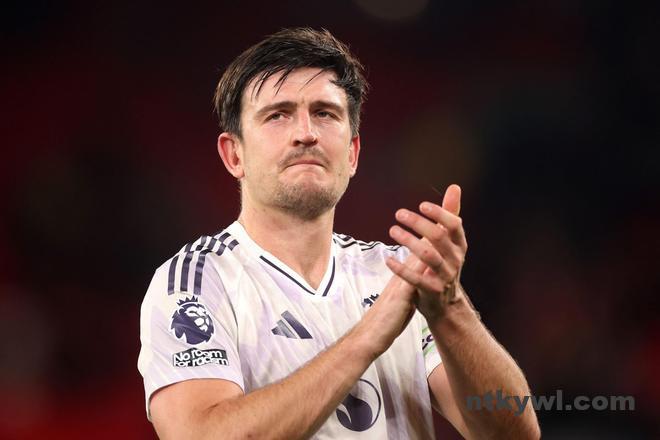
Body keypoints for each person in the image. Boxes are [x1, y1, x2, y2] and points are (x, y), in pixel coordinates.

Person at [138, 28, 540, 439]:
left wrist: (450, 309)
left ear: (352, 153)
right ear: (233, 154)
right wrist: (367, 336)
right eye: (278, 115)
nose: (306, 133)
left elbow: (514, 433)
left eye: (325, 113)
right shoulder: (197, 283)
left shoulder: (399, 274)